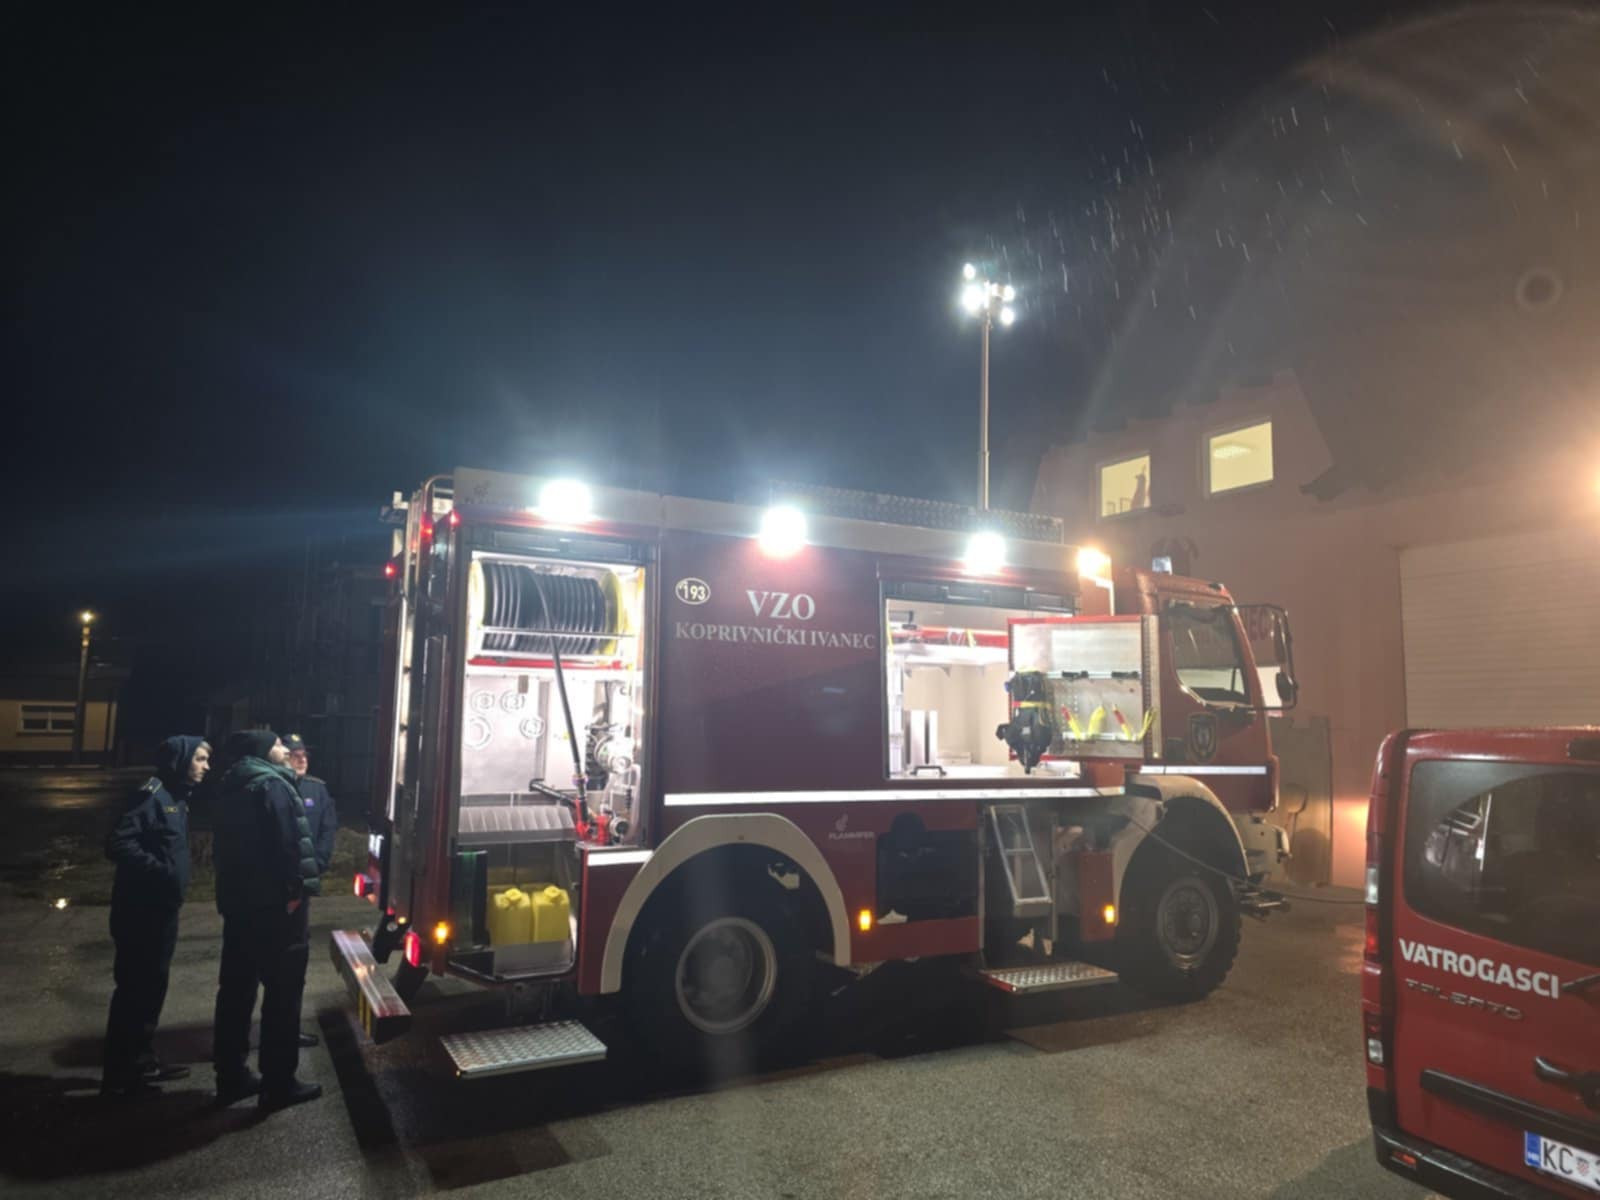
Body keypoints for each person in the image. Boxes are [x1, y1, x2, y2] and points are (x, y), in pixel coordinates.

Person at [210, 729, 323, 1111]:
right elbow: (287, 844)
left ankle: (231, 1077)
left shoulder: (231, 785)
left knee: (236, 991)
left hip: (239, 904)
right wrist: (294, 893)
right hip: (276, 908)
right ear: (261, 751)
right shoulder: (271, 786)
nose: (284, 749)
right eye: (277, 744)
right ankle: (279, 1084)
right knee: (282, 994)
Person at [101, 735, 210, 1097]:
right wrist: (161, 872)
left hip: (161, 910)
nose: (206, 766)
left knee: (151, 988)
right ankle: (120, 1076)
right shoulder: (152, 795)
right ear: (180, 760)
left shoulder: (176, 797)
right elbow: (118, 843)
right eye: (199, 759)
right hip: (140, 912)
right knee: (135, 991)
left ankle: (142, 1061)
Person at [282, 732, 334, 1048]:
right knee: (279, 962)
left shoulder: (317, 788)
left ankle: (288, 1027)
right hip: (279, 888)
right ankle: (278, 1030)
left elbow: (327, 830)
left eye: (304, 754)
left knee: (295, 960)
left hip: (302, 887)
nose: (301, 759)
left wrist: (317, 865)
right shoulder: (275, 788)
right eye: (293, 754)